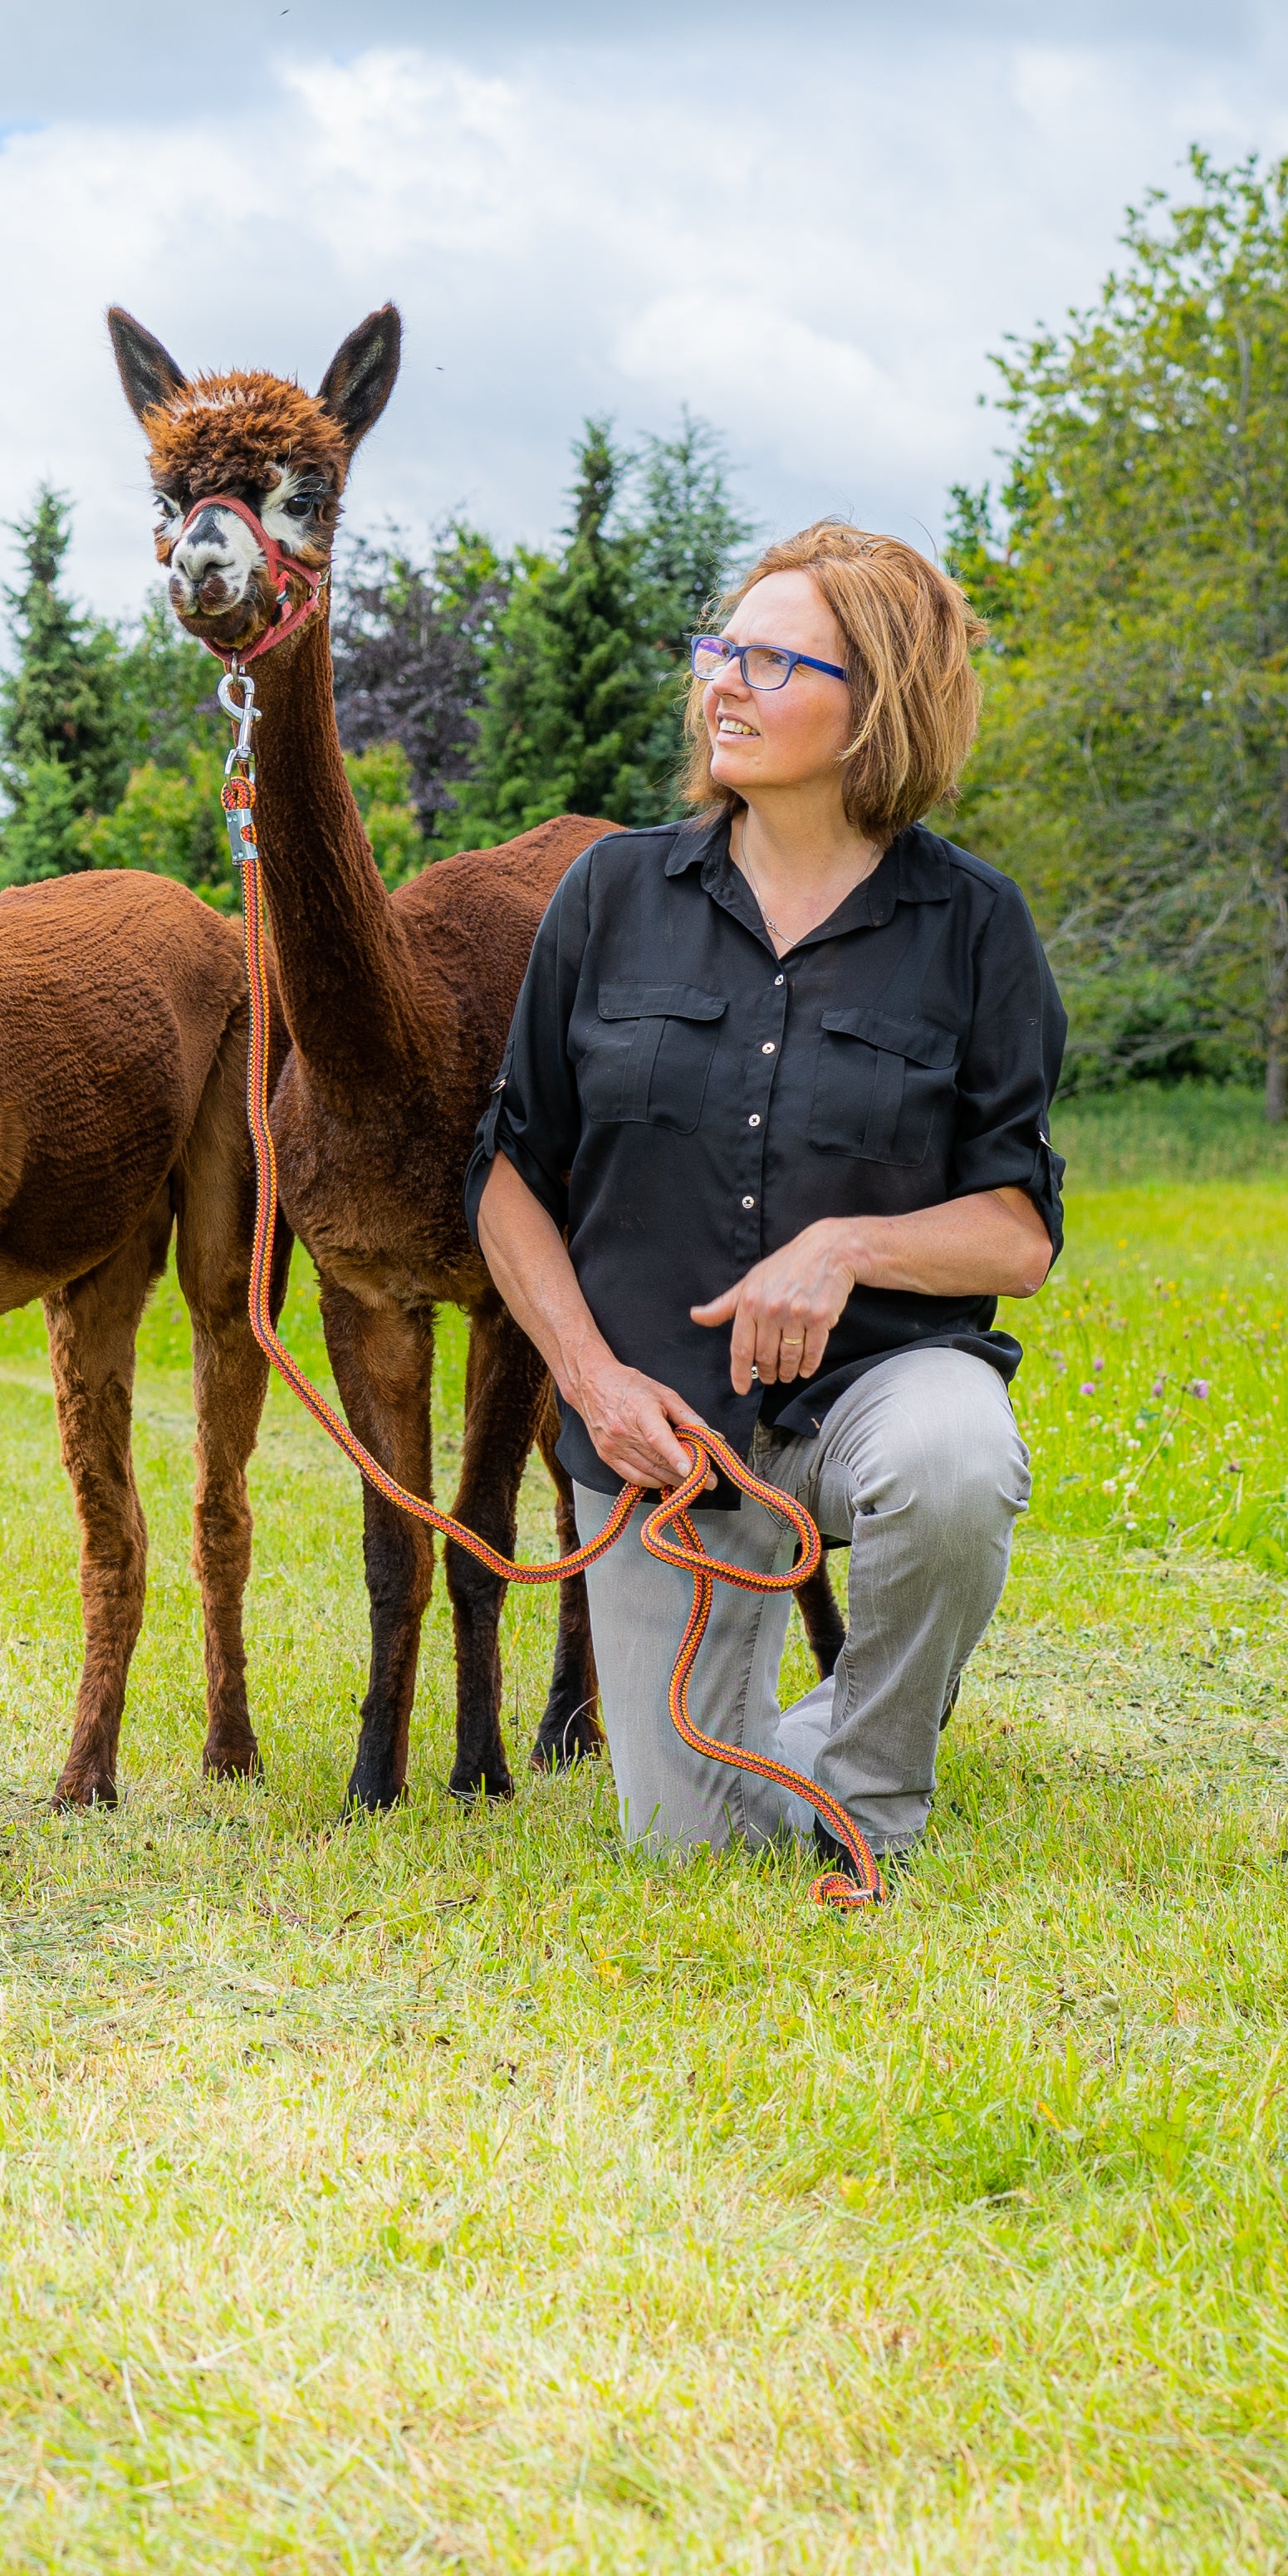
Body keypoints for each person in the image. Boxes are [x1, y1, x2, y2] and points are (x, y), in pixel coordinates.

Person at [465, 523, 1064, 1873]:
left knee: (958, 1461)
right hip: (658, 1444)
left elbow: (1017, 1234)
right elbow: (509, 1176)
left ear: (880, 708)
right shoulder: (609, 897)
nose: (722, 683)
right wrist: (593, 1384)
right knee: (685, 1851)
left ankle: (871, 1796)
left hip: (874, 1395)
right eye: (718, 650)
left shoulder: (977, 929)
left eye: (772, 661)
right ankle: (799, 1764)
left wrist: (842, 1247)